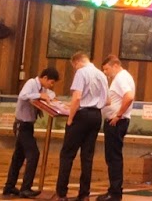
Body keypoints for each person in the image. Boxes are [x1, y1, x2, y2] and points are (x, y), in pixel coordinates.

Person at [52, 52, 108, 201]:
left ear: (77, 62)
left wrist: (70, 118)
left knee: (67, 154)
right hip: (96, 116)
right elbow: (106, 100)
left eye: (74, 66)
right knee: (87, 157)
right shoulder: (101, 74)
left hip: (81, 116)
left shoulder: (81, 72)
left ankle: (61, 193)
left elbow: (77, 97)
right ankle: (84, 194)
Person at [4, 67, 59, 198]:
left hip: (28, 126)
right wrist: (40, 95)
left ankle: (9, 186)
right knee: (33, 154)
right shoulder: (31, 83)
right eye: (51, 82)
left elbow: (51, 94)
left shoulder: (42, 88)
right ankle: (25, 188)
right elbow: (23, 95)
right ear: (45, 78)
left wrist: (48, 96)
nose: (51, 86)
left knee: (18, 157)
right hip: (21, 125)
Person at [101, 57, 136, 201]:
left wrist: (118, 115)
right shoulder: (123, 77)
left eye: (106, 69)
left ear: (115, 65)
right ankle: (113, 190)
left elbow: (129, 97)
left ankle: (115, 193)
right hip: (116, 121)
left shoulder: (121, 78)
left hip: (116, 122)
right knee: (112, 157)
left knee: (113, 157)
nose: (105, 72)